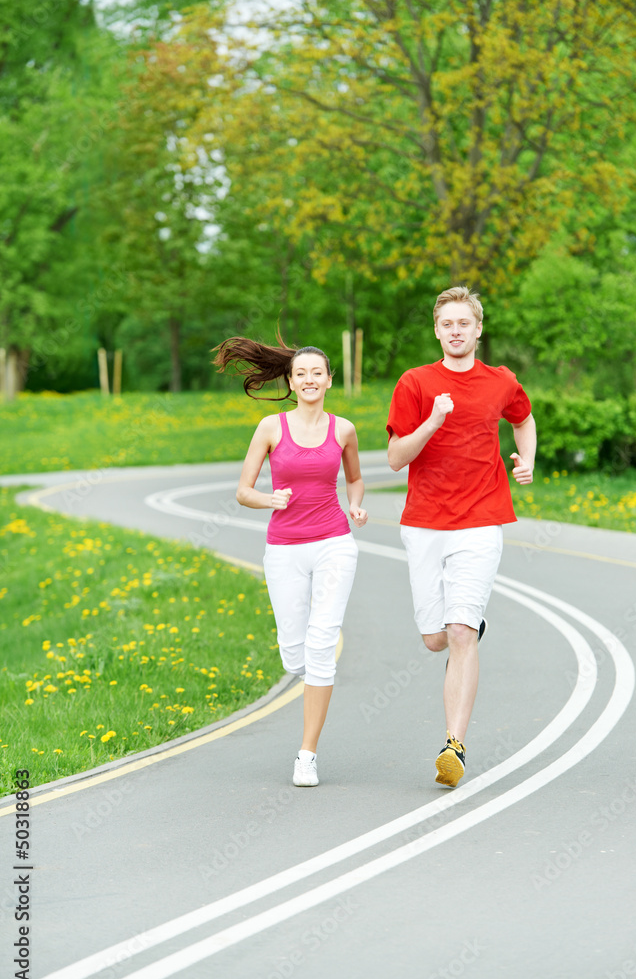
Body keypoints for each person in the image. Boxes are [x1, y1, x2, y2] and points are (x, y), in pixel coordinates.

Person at [386, 286, 536, 789]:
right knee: (434, 640)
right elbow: (395, 457)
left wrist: (527, 458)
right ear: (437, 330)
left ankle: (454, 745)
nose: (456, 331)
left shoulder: (500, 381)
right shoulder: (416, 382)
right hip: (424, 522)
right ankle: (462, 628)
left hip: (480, 521)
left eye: (464, 323)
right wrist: (433, 420)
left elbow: (524, 418)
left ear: (478, 330)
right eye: (447, 323)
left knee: (459, 633)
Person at [213, 336, 368, 787]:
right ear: (291, 380)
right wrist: (269, 499)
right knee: (294, 654)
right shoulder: (269, 427)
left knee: (321, 646)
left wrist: (355, 505)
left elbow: (355, 480)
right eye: (301, 374)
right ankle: (302, 658)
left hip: (334, 542)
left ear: (329, 380)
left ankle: (307, 755)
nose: (309, 380)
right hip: (283, 548)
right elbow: (243, 491)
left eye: (317, 373)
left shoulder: (343, 430)